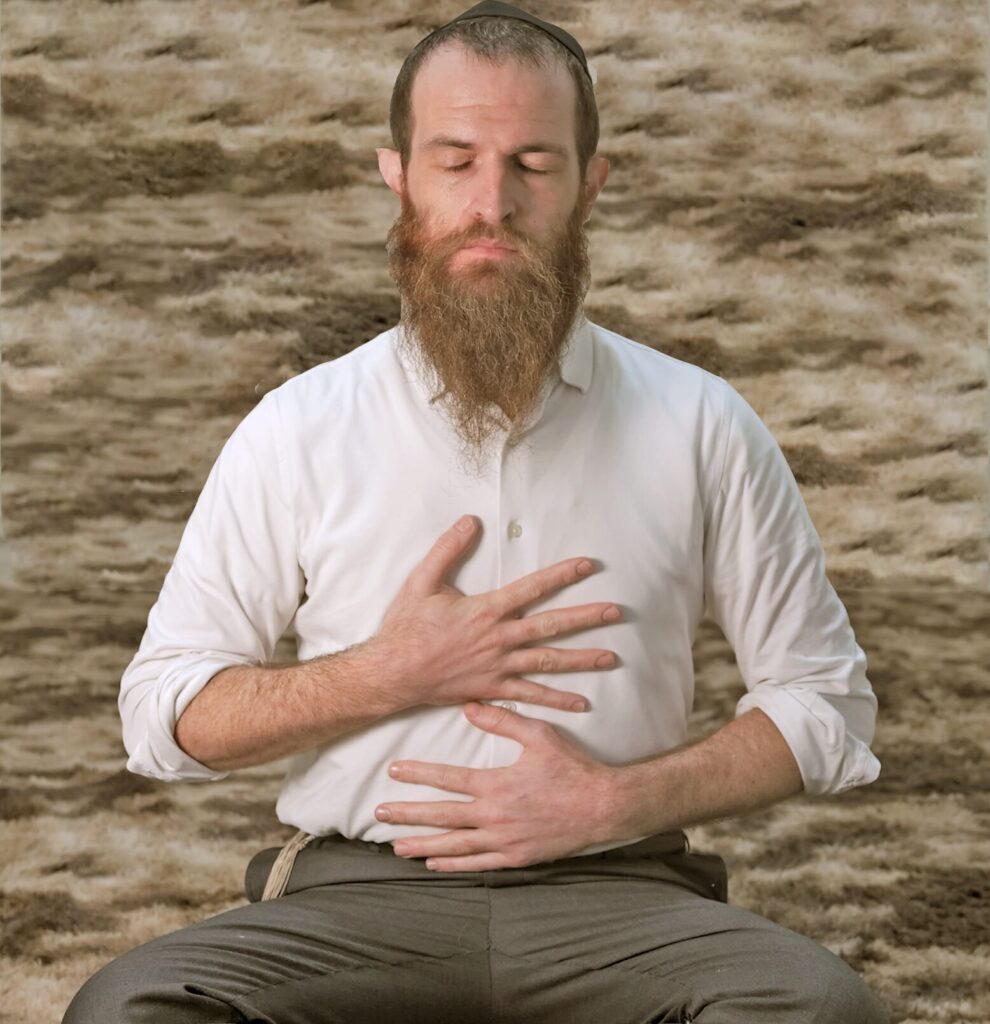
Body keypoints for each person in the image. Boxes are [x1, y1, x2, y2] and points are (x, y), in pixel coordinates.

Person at [63, 2, 891, 1021]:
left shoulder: (702, 421)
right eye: (455, 161)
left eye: (533, 164)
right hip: (354, 900)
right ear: (398, 174)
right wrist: (388, 672)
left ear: (591, 182)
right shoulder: (297, 426)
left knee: (818, 1006)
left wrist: (615, 800)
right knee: (132, 1008)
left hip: (619, 894)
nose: (491, 203)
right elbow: (163, 715)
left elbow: (825, 704)